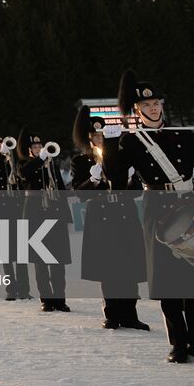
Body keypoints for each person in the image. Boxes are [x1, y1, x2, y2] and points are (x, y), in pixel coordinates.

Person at [114, 69, 194, 365]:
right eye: (146, 106)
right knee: (167, 281)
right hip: (156, 207)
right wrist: (109, 146)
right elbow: (116, 181)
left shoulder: (182, 134)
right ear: (138, 111)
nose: (153, 108)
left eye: (156, 103)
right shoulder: (131, 141)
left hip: (189, 204)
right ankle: (179, 344)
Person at [70, 105, 149, 330]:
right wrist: (93, 180)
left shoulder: (122, 157)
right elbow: (79, 194)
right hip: (101, 216)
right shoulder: (81, 162)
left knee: (129, 264)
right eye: (95, 135)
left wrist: (133, 180)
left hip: (124, 214)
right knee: (108, 268)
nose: (99, 138)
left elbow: (136, 193)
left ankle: (130, 314)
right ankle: (112, 313)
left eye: (102, 134)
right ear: (89, 138)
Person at [17, 128, 71, 312]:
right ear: (29, 150)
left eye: (40, 145)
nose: (39, 148)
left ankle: (60, 298)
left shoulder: (51, 165)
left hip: (55, 214)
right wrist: (40, 159)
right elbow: (24, 175)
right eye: (35, 146)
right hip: (35, 215)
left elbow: (62, 189)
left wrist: (66, 215)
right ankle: (46, 299)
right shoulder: (25, 164)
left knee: (58, 259)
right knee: (40, 260)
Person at [0, 132, 30, 300]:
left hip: (15, 205)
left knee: (21, 250)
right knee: (5, 252)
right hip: (0, 206)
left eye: (3, 145)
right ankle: (11, 288)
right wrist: (1, 155)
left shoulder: (13, 160)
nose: (2, 148)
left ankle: (24, 289)